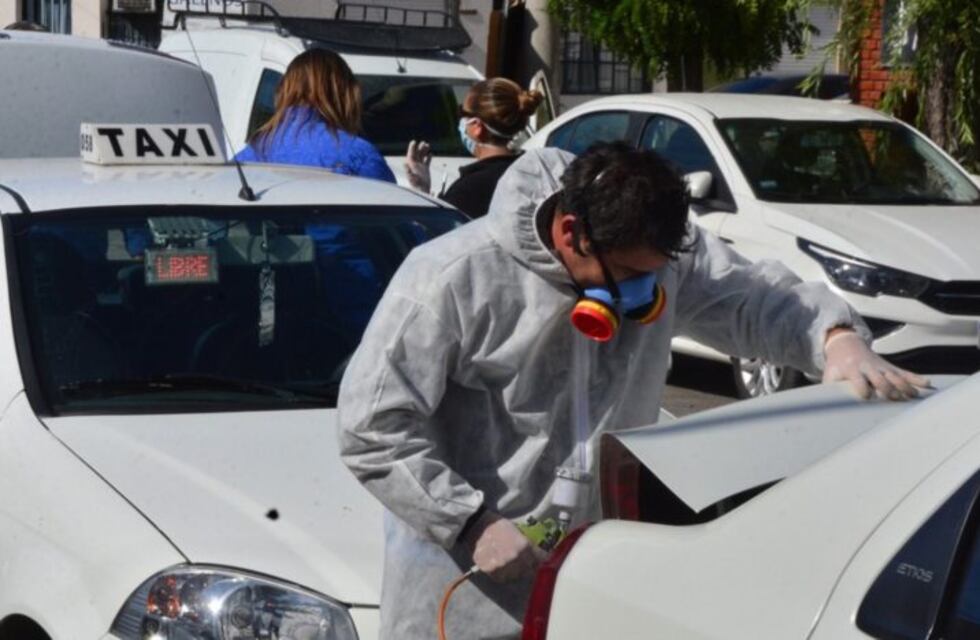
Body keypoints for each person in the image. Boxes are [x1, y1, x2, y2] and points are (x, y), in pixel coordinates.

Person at [338, 143, 928, 639]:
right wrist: (470, 524)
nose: (643, 291)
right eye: (626, 276)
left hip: (594, 575)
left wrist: (834, 336)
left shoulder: (656, 255)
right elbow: (372, 428)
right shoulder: (452, 279)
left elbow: (749, 297)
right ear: (572, 233)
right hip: (466, 586)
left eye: (656, 273)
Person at [236, 48, 394, 182]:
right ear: (344, 94)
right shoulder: (358, 154)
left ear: (284, 90)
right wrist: (419, 186)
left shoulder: (257, 149)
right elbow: (392, 212)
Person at [404, 78, 542, 218]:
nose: (460, 121)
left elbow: (442, 235)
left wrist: (422, 195)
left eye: (461, 113)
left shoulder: (467, 190)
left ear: (477, 126)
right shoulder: (534, 172)